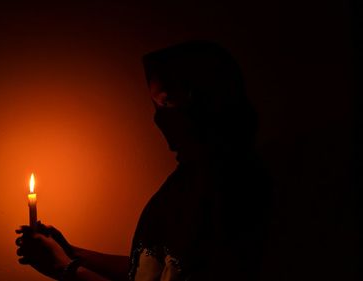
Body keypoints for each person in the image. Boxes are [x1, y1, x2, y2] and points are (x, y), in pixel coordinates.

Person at [15, 40, 272, 281]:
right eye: (155, 105)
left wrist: (65, 268)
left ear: (207, 103)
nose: (157, 120)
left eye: (168, 101)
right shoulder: (187, 179)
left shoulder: (234, 192)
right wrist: (72, 252)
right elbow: (150, 269)